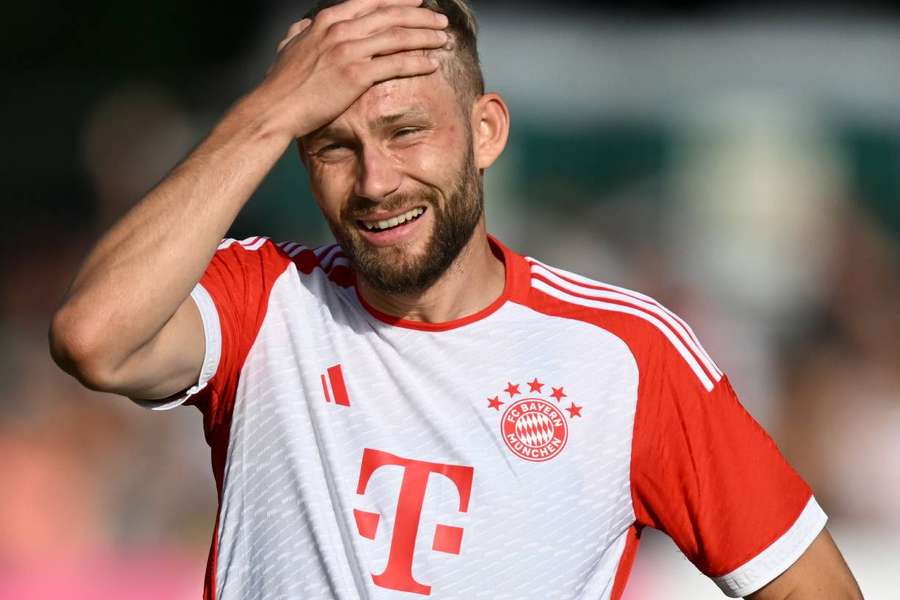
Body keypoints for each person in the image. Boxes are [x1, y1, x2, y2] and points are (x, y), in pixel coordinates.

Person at [49, 0, 863, 598]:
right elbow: (95, 338)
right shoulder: (264, 299)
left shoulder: (629, 353)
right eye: (334, 146)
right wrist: (265, 112)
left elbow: (811, 586)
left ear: (487, 132)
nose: (376, 182)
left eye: (407, 133)